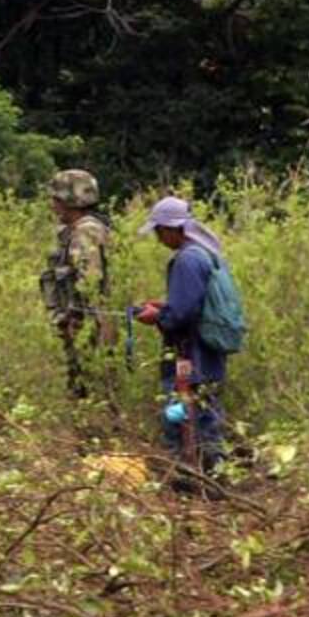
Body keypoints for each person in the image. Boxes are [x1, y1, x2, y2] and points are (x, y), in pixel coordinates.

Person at [134, 196, 229, 474]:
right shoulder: (205, 254)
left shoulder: (186, 260)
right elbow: (191, 305)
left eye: (159, 231)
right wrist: (166, 306)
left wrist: (156, 316)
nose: (159, 238)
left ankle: (191, 477)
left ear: (171, 229)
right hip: (207, 352)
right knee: (206, 412)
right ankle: (213, 474)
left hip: (190, 354)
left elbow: (180, 317)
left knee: (185, 415)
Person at [41, 169, 114, 399]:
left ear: (68, 200)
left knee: (90, 389)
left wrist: (76, 320)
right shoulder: (83, 229)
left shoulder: (86, 232)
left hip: (89, 326)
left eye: (55, 198)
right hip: (87, 323)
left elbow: (89, 282)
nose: (52, 204)